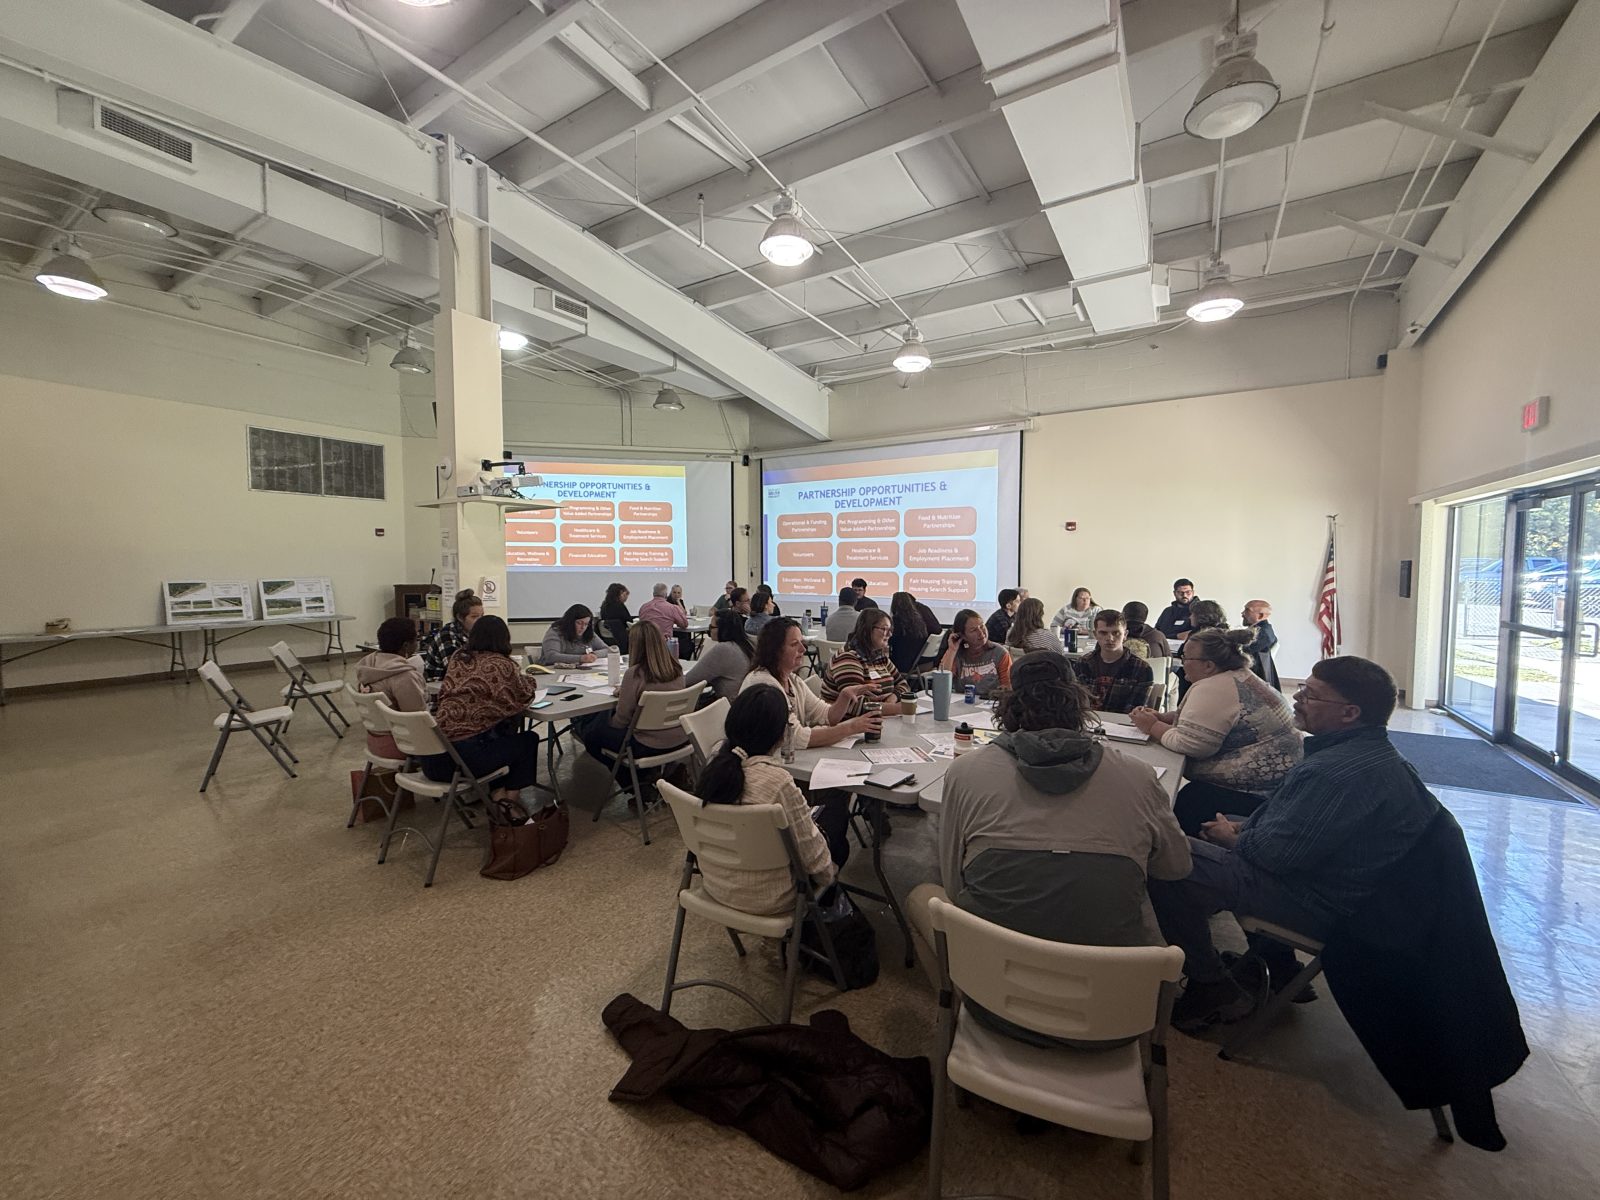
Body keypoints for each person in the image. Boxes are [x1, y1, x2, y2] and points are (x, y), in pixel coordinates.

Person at [906, 654, 1191, 1046]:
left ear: (1006, 707)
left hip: (993, 1002)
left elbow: (954, 883)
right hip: (1116, 1019)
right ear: (1079, 703)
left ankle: (955, 1014)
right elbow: (1176, 868)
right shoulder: (1139, 778)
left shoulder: (966, 773)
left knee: (925, 896)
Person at [1148, 656, 1441, 1033]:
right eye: (1302, 688)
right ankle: (1279, 966)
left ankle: (1212, 985)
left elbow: (1274, 857)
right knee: (1210, 826)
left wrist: (1234, 837)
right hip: (1334, 881)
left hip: (1321, 902)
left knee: (1168, 858)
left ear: (1350, 713)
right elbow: (1293, 830)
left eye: (1312, 694)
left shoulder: (1335, 773)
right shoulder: (1366, 754)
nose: (1298, 698)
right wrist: (1243, 830)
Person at [1129, 627, 1303, 835]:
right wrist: (1169, 718)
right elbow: (1215, 718)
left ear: (1209, 665)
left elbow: (1193, 745)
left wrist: (1152, 726)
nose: (1182, 663)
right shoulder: (1236, 677)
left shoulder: (1216, 687)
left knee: (1183, 800)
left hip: (1255, 793)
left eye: (1186, 657)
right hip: (1279, 784)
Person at [741, 619, 883, 862]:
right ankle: (825, 850)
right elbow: (797, 737)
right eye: (795, 645)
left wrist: (845, 698)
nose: (803, 650)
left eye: (802, 643)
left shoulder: (791, 680)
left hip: (787, 761)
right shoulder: (764, 684)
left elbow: (825, 715)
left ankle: (827, 842)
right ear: (775, 650)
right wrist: (851, 726)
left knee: (840, 785)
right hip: (773, 766)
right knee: (837, 789)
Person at [693, 686, 838, 915]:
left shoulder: (714, 769)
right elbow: (815, 860)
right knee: (836, 833)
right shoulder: (778, 782)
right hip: (773, 899)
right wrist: (830, 876)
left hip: (716, 886)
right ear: (781, 735)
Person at [425, 615, 540, 807]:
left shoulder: (459, 657)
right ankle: (508, 804)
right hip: (465, 762)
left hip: (435, 756)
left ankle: (498, 794)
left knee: (498, 735)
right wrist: (529, 680)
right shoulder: (502, 664)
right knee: (527, 740)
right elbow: (524, 696)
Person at [582, 621, 690, 762]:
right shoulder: (676, 669)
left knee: (590, 735)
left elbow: (621, 721)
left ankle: (633, 781)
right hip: (680, 736)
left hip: (646, 743)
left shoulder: (635, 674)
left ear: (634, 645)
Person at [355, 616, 427, 759]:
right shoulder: (404, 676)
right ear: (406, 645)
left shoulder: (368, 665)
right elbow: (417, 719)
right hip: (402, 745)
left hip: (374, 741)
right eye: (416, 639)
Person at [821, 606, 913, 711]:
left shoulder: (878, 655)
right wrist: (899, 709)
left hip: (880, 717)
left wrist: (892, 699)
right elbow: (856, 706)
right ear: (868, 630)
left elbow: (903, 684)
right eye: (884, 629)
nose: (890, 634)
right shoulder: (847, 658)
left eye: (890, 629)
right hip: (849, 723)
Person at [1072, 610, 1154, 714]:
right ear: (1095, 634)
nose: (1110, 638)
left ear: (1125, 635)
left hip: (1122, 725)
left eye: (1116, 633)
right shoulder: (1082, 664)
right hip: (1087, 721)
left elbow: (1134, 711)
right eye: (1103, 633)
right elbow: (1076, 703)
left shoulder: (1142, 669)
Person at [683, 611, 755, 704]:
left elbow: (689, 680)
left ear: (723, 630)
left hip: (726, 708)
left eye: (712, 627)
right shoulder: (745, 645)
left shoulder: (724, 649)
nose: (709, 630)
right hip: (740, 704)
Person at [940, 608, 1012, 699]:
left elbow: (1008, 687)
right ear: (962, 635)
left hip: (990, 703)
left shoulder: (1000, 653)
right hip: (963, 703)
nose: (981, 633)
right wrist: (952, 650)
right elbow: (942, 682)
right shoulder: (955, 653)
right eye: (973, 630)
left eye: (982, 626)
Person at [421, 589, 482, 681]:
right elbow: (456, 670)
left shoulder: (475, 634)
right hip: (439, 684)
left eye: (482, 616)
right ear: (460, 617)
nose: (480, 621)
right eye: (474, 617)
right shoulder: (447, 635)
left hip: (462, 682)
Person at [1175, 599, 1228, 700]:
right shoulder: (1223, 631)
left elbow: (1181, 653)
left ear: (1201, 617)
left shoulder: (1201, 636)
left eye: (1192, 614)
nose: (1190, 617)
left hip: (1198, 678)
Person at [539, 603, 606, 666]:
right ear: (570, 622)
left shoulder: (588, 633)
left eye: (586, 624)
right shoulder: (555, 632)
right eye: (579, 623)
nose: (583, 627)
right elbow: (551, 657)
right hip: (553, 671)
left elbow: (607, 650)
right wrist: (581, 658)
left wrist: (593, 655)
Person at [639, 582, 689, 658]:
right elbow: (684, 624)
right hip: (664, 645)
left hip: (646, 644)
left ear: (653, 594)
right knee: (688, 645)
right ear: (666, 595)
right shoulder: (672, 608)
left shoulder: (643, 608)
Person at [1242, 600, 1281, 690]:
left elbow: (1242, 651)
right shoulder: (1263, 629)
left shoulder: (1263, 634)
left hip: (1256, 677)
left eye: (1247, 611)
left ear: (1261, 615)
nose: (1242, 614)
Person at [887, 590, 929, 674]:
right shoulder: (919, 620)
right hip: (915, 661)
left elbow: (890, 641)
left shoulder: (897, 622)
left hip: (901, 663)